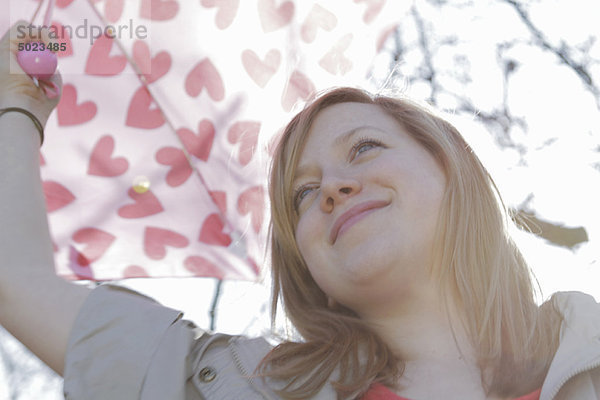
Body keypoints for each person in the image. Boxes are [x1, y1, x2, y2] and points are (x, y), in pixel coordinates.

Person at [1, 20, 599, 400]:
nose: (333, 188)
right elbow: (17, 281)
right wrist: (15, 107)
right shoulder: (243, 386)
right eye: (303, 195)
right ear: (312, 273)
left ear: (453, 169)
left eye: (364, 148)